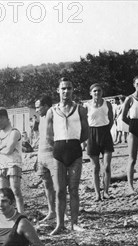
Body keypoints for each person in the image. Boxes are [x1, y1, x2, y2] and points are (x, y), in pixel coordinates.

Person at [46, 78, 89, 235]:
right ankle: (60, 224)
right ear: (58, 90)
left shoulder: (80, 109)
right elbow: (49, 136)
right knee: (59, 191)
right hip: (59, 152)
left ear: (73, 90)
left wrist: (74, 142)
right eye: (63, 89)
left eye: (69, 88)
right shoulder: (52, 111)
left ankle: (74, 223)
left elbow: (86, 132)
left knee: (74, 190)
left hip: (75, 151)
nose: (66, 91)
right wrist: (58, 146)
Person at [0, 108, 24, 213]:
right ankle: (6, 215)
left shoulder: (14, 132)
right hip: (2, 165)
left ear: (4, 118)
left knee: (15, 191)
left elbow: (9, 150)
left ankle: (22, 215)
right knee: (2, 193)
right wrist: (2, 145)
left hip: (13, 164)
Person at [85, 83, 115, 201]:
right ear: (91, 93)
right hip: (92, 135)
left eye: (99, 91)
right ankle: (97, 194)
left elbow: (111, 119)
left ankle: (106, 192)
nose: (97, 93)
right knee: (95, 167)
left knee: (107, 166)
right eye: (95, 91)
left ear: (102, 92)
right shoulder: (87, 105)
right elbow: (84, 123)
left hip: (105, 133)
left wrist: (106, 131)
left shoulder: (107, 104)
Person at [120, 75, 138, 194]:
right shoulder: (129, 98)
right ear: (134, 85)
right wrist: (132, 125)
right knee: (132, 159)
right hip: (134, 128)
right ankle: (130, 186)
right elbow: (123, 117)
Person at [35, 95, 57, 223]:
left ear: (46, 106)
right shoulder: (41, 119)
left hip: (52, 155)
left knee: (59, 186)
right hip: (42, 155)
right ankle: (52, 211)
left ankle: (63, 213)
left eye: (38, 107)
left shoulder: (54, 116)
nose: (36, 110)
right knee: (47, 185)